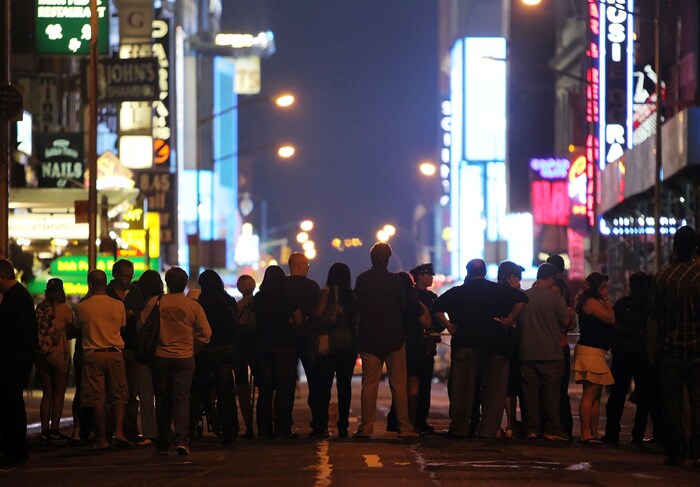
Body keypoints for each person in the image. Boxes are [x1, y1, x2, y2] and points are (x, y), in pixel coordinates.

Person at [433, 259, 526, 439]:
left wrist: (448, 324)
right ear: (484, 271)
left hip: (465, 344)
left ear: (468, 272)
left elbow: (436, 306)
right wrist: (509, 319)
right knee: (494, 391)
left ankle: (460, 428)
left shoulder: (459, 291)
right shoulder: (498, 290)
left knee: (462, 390)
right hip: (495, 345)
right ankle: (488, 430)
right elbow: (522, 299)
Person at [141, 266, 211, 456]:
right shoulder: (193, 306)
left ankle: (163, 440)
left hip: (160, 357)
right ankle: (182, 440)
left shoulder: (155, 302)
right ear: (185, 283)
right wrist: (192, 348)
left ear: (167, 283)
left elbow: (143, 327)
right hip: (184, 358)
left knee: (162, 399)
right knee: (182, 400)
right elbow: (206, 334)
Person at [648, 225, 700, 467]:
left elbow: (654, 320)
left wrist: (652, 350)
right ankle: (697, 451)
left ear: (674, 247)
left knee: (672, 404)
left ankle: (676, 452)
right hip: (698, 352)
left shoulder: (662, 278)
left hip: (670, 351)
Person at [354, 242, 416, 438]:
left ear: (371, 258)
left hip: (369, 337)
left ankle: (366, 428)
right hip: (394, 336)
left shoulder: (362, 280)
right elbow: (404, 307)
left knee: (369, 384)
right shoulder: (395, 281)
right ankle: (404, 427)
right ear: (388, 259)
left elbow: (358, 308)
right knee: (399, 385)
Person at [603, 271, 662, 445]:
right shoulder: (650, 305)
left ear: (630, 285)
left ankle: (612, 432)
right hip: (644, 354)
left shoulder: (622, 304)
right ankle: (638, 435)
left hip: (622, 353)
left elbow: (613, 327)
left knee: (617, 394)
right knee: (645, 396)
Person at [74, 269, 130, 450]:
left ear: (89, 284)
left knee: (96, 397)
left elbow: (77, 328)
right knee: (118, 394)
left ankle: (101, 438)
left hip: (92, 355)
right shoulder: (118, 305)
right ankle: (119, 432)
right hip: (114, 352)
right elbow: (122, 326)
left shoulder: (82, 306)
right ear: (106, 283)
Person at [517, 263, 572, 441]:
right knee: (551, 394)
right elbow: (566, 323)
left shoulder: (524, 297)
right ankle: (552, 429)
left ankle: (531, 429)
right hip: (552, 353)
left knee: (530, 394)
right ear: (550, 278)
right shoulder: (556, 298)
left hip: (527, 353)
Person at [189, 269, 239, 445]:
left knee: (197, 390)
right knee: (226, 392)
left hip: (205, 351)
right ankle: (230, 431)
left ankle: (191, 428)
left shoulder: (200, 303)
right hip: (226, 350)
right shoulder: (228, 301)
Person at [253, 265, 303, 439]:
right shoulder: (287, 298)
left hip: (262, 346)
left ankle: (264, 429)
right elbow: (298, 320)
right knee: (283, 389)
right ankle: (282, 428)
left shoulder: (258, 298)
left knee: (265, 391)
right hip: (284, 346)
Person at [311, 262, 358, 438]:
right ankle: (343, 425)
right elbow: (356, 322)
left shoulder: (325, 293)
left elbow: (318, 314)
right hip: (348, 345)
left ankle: (321, 424)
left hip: (328, 344)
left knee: (324, 385)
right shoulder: (351, 296)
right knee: (344, 386)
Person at [106, 259, 149, 445]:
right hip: (113, 346)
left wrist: (135, 315)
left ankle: (129, 431)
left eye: (130, 276)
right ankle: (110, 431)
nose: (127, 280)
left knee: (132, 392)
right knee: (112, 392)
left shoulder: (135, 291)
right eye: (124, 276)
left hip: (132, 346)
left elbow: (141, 315)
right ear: (115, 275)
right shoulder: (106, 293)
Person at [0, 259, 37, 464]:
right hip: (17, 359)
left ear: (3, 276)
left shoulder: (15, 298)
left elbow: (19, 332)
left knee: (11, 404)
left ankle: (16, 446)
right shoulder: (20, 295)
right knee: (11, 403)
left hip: (13, 360)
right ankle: (14, 445)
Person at [572, 272, 616, 444]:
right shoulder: (590, 302)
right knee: (590, 394)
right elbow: (610, 318)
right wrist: (607, 300)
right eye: (603, 287)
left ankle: (593, 431)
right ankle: (585, 433)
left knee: (595, 395)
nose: (605, 290)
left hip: (594, 351)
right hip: (589, 351)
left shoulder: (591, 301)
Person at [386, 272, 431, 433]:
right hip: (414, 347)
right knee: (413, 385)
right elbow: (427, 323)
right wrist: (424, 306)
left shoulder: (393, 303)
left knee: (398, 385)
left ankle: (396, 419)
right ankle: (409, 421)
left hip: (397, 344)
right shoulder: (413, 304)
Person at [284, 252, 323, 437]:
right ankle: (318, 423)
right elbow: (318, 313)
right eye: (306, 263)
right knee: (315, 382)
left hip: (286, 338)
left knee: (287, 383)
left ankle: (284, 424)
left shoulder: (282, 285)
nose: (308, 266)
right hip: (308, 337)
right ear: (297, 265)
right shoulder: (312, 287)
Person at [34, 278, 74, 442]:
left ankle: (44, 430)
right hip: (58, 354)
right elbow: (71, 331)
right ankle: (55, 430)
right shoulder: (65, 309)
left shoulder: (40, 307)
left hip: (41, 354)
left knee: (47, 394)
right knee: (59, 394)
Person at [409, 263, 443, 434]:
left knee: (423, 385)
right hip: (415, 345)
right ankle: (414, 420)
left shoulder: (431, 297)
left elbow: (437, 323)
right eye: (429, 275)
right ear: (421, 276)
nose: (432, 278)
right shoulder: (414, 297)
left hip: (425, 345)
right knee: (415, 384)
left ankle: (419, 420)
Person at [546, 254, 574, 439]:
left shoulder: (554, 290)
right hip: (560, 343)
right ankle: (564, 426)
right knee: (560, 390)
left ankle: (557, 426)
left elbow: (564, 321)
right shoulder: (566, 289)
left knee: (553, 390)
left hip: (553, 343)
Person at [133, 269, 163, 440]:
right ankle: (165, 428)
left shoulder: (143, 304)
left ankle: (149, 431)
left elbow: (140, 326)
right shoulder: (162, 301)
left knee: (145, 394)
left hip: (145, 352)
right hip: (162, 351)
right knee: (163, 393)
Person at [497, 260, 526, 438]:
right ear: (508, 277)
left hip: (500, 345)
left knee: (503, 387)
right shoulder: (513, 294)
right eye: (515, 277)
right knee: (508, 388)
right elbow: (524, 298)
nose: (518, 281)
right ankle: (510, 425)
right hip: (508, 345)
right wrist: (510, 319)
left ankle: (503, 425)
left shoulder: (492, 291)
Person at [234, 274, 256, 439]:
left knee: (242, 385)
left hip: (240, 348)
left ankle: (249, 425)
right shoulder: (260, 304)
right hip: (256, 347)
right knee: (263, 384)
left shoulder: (236, 307)